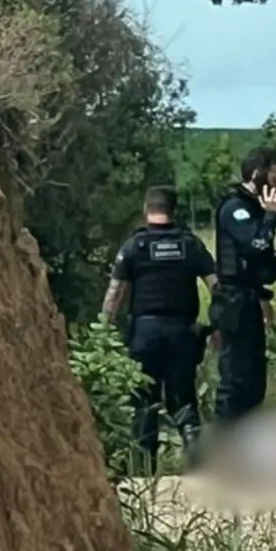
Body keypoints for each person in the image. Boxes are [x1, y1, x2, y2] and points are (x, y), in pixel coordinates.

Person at [101, 185, 216, 472]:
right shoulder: (190, 244)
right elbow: (217, 287)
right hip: (182, 332)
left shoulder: (134, 246)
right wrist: (220, 326)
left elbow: (114, 293)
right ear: (173, 210)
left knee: (143, 400)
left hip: (145, 334)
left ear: (145, 209)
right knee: (184, 397)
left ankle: (144, 470)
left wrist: (103, 331)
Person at [210, 146, 276, 423]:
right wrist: (270, 216)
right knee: (235, 381)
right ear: (257, 174)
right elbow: (255, 245)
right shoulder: (235, 209)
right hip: (233, 303)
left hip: (251, 300)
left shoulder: (254, 208)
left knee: (255, 382)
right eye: (274, 181)